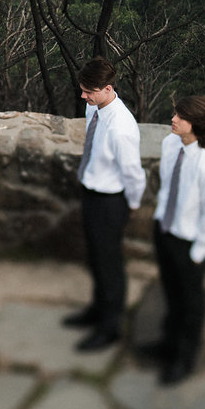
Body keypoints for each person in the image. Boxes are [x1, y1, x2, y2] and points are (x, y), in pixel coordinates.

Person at [63, 57, 146, 351]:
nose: (82, 96)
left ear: (108, 89)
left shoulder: (122, 128)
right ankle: (96, 310)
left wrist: (132, 204)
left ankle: (110, 326)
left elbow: (133, 173)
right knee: (95, 258)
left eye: (88, 91)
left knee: (109, 264)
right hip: (92, 192)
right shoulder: (95, 107)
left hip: (111, 201)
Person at [150, 95, 205, 385]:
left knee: (191, 304)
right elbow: (167, 187)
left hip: (189, 244)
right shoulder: (170, 144)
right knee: (170, 295)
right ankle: (167, 346)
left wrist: (198, 253)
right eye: (174, 113)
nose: (173, 118)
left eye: (180, 116)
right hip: (165, 231)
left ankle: (185, 358)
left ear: (196, 125)